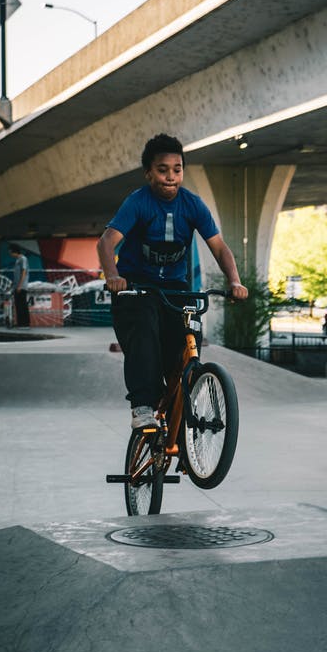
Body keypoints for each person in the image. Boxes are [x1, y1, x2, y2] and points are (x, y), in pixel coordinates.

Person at [97, 133, 248, 430]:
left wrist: (235, 281)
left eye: (177, 170)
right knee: (145, 333)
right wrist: (113, 276)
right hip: (136, 288)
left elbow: (218, 247)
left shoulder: (192, 205)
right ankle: (142, 405)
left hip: (175, 289)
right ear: (148, 173)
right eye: (162, 170)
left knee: (184, 342)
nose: (170, 177)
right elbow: (106, 243)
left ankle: (182, 405)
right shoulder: (137, 203)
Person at [9, 243, 30, 327]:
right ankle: (20, 322)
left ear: (14, 251)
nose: (10, 254)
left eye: (11, 252)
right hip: (16, 286)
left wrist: (20, 285)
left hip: (21, 286)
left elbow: (24, 272)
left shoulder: (23, 259)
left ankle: (25, 323)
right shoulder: (17, 260)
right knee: (18, 305)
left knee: (22, 305)